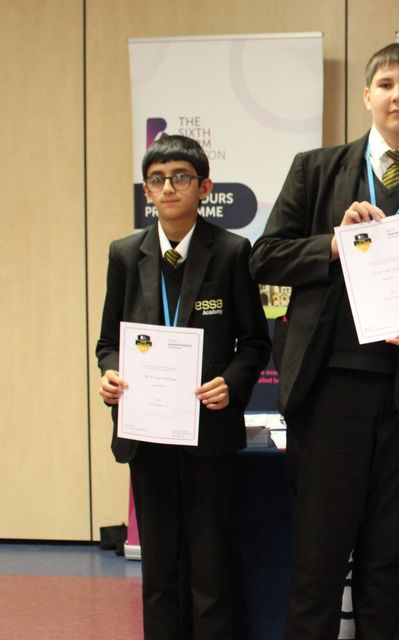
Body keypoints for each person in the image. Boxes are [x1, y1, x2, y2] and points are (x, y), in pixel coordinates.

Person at [249, 42, 399, 639]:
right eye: (386, 84)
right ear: (367, 96)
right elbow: (264, 257)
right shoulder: (317, 167)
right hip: (330, 388)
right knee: (320, 557)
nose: (397, 95)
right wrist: (332, 243)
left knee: (385, 558)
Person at [96, 134, 271, 639]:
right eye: (158, 179)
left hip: (207, 431)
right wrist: (109, 373)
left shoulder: (233, 251)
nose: (169, 187)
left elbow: (255, 342)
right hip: (147, 432)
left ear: (204, 187)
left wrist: (231, 384)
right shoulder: (126, 254)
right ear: (146, 191)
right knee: (158, 569)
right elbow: (109, 341)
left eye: (181, 178)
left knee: (210, 568)